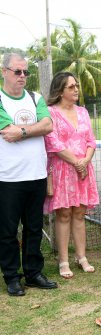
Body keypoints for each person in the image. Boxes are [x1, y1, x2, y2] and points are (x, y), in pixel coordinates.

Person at [0, 53, 57, 296]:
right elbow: (6, 131)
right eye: (17, 71)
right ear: (4, 71)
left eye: (26, 72)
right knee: (7, 231)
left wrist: (22, 130)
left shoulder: (35, 98)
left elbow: (48, 125)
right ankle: (12, 276)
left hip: (36, 175)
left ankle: (34, 273)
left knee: (34, 228)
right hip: (8, 177)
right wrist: (33, 129)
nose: (23, 76)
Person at [43, 72, 99, 278]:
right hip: (63, 169)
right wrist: (77, 162)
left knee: (79, 214)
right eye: (71, 86)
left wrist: (85, 160)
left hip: (83, 169)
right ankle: (64, 260)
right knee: (64, 214)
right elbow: (53, 143)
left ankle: (82, 256)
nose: (76, 89)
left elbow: (91, 141)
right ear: (60, 91)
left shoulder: (83, 112)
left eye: (76, 86)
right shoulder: (51, 113)